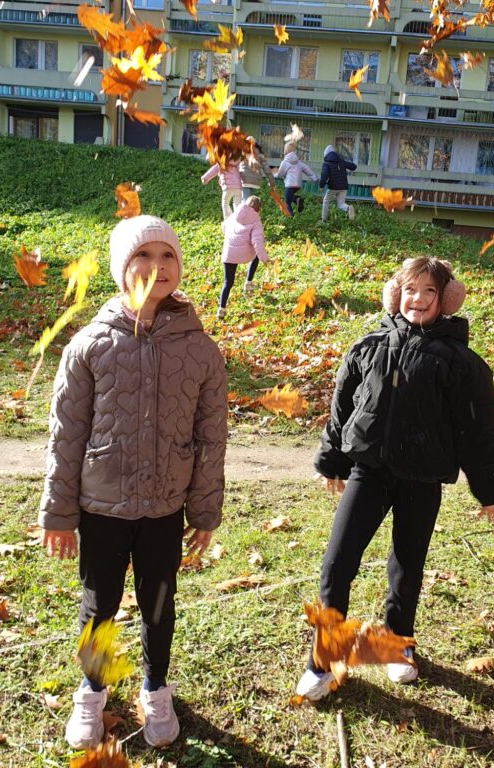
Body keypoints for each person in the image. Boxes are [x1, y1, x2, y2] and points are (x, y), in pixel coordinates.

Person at [39, 215, 228, 750]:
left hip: (165, 506)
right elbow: (66, 434)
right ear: (123, 267)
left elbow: (211, 438)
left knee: (159, 602)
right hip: (103, 506)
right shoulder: (90, 345)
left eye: (167, 256)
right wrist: (59, 513)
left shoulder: (200, 349)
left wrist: (205, 512)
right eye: (142, 256)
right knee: (99, 605)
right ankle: (92, 690)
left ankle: (155, 687)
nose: (156, 267)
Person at [296, 257, 494, 701]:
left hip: (422, 482)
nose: (418, 299)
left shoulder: (459, 362)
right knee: (338, 563)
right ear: (396, 293)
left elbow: (478, 430)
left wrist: (491, 490)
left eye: (429, 292)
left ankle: (398, 644)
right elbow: (343, 407)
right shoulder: (370, 346)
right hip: (368, 474)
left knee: (406, 567)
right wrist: (332, 463)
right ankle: (323, 658)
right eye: (411, 290)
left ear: (446, 300)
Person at [217, 195, 268, 320]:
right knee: (255, 256)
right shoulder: (256, 221)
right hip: (245, 254)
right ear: (258, 209)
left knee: (228, 282)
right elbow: (257, 243)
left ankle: (221, 309)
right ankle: (248, 282)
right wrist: (265, 259)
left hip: (229, 253)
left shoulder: (236, 214)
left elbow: (224, 226)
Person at [274, 142, 317, 216]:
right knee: (290, 197)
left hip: (290, 184)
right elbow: (307, 169)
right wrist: (314, 177)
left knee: (287, 202)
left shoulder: (285, 162)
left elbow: (280, 174)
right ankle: (297, 199)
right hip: (298, 185)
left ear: (286, 151)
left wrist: (274, 175)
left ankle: (291, 217)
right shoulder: (298, 162)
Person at [319, 144, 357, 222]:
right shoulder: (341, 161)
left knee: (326, 201)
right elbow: (353, 166)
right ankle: (348, 208)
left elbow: (324, 175)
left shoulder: (326, 164)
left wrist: (321, 185)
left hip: (333, 187)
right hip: (344, 187)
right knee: (341, 204)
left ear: (325, 155)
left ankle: (323, 220)